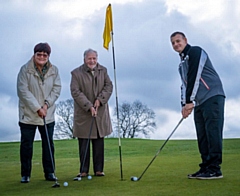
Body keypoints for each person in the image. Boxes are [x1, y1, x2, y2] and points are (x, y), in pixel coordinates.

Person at [170, 32, 225, 180]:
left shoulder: (196, 52)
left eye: (178, 41)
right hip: (199, 101)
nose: (176, 44)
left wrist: (189, 101)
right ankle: (206, 167)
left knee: (212, 133)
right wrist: (184, 104)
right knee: (202, 136)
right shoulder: (181, 65)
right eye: (173, 43)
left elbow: (194, 76)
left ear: (185, 40)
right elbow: (184, 85)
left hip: (213, 96)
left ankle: (215, 169)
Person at [17, 43, 61, 183]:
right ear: (34, 54)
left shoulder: (54, 70)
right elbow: (23, 91)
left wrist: (47, 104)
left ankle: (50, 172)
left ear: (48, 56)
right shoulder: (25, 70)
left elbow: (56, 89)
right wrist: (37, 108)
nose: (42, 57)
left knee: (48, 145)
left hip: (47, 114)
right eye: (39, 54)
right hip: (28, 115)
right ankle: (25, 174)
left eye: (45, 55)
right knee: (27, 145)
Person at [70, 48, 113, 180]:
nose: (92, 61)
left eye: (94, 58)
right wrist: (88, 106)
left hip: (100, 113)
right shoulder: (76, 73)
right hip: (84, 113)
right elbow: (75, 91)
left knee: (99, 142)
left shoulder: (103, 70)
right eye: (89, 58)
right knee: (84, 142)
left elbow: (108, 86)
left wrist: (100, 100)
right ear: (84, 59)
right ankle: (83, 170)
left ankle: (99, 170)